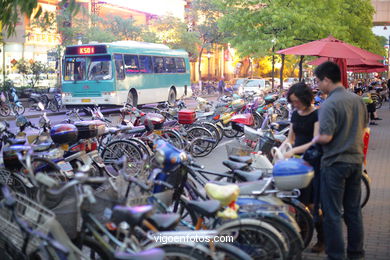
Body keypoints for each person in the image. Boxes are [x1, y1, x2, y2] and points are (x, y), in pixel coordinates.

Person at [312, 61, 368, 260]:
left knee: (332, 213)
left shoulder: (329, 104)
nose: (317, 85)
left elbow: (326, 137)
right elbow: (363, 129)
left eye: (318, 81)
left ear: (327, 79)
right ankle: (356, 253)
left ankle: (336, 255)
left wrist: (314, 138)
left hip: (335, 163)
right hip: (355, 161)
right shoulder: (357, 100)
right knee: (353, 211)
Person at [283, 82, 324, 253]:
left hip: (313, 162)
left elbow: (315, 141)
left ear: (305, 98)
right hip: (297, 164)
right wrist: (281, 149)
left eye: (297, 101)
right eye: (292, 102)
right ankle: (302, 237)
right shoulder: (295, 113)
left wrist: (293, 150)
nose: (295, 105)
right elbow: (290, 138)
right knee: (298, 202)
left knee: (313, 204)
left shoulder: (317, 114)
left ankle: (322, 239)